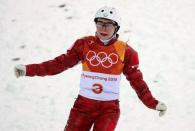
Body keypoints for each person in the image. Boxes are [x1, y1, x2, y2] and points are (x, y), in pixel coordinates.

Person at [14, 6, 167, 131]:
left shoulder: (126, 52)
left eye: (108, 24)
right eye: (100, 23)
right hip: (83, 106)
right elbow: (57, 65)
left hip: (108, 110)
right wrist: (28, 69)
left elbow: (137, 82)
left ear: (116, 27)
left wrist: (153, 103)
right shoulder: (84, 45)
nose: (103, 28)